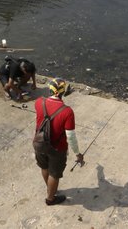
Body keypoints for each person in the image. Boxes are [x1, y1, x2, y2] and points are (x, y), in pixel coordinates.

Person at [33, 78, 84, 206]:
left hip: (39, 143)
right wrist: (78, 153)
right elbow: (71, 137)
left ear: (50, 89)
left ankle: (50, 188)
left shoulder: (39, 102)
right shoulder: (67, 111)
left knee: (44, 167)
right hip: (57, 149)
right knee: (54, 174)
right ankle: (51, 199)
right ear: (62, 92)